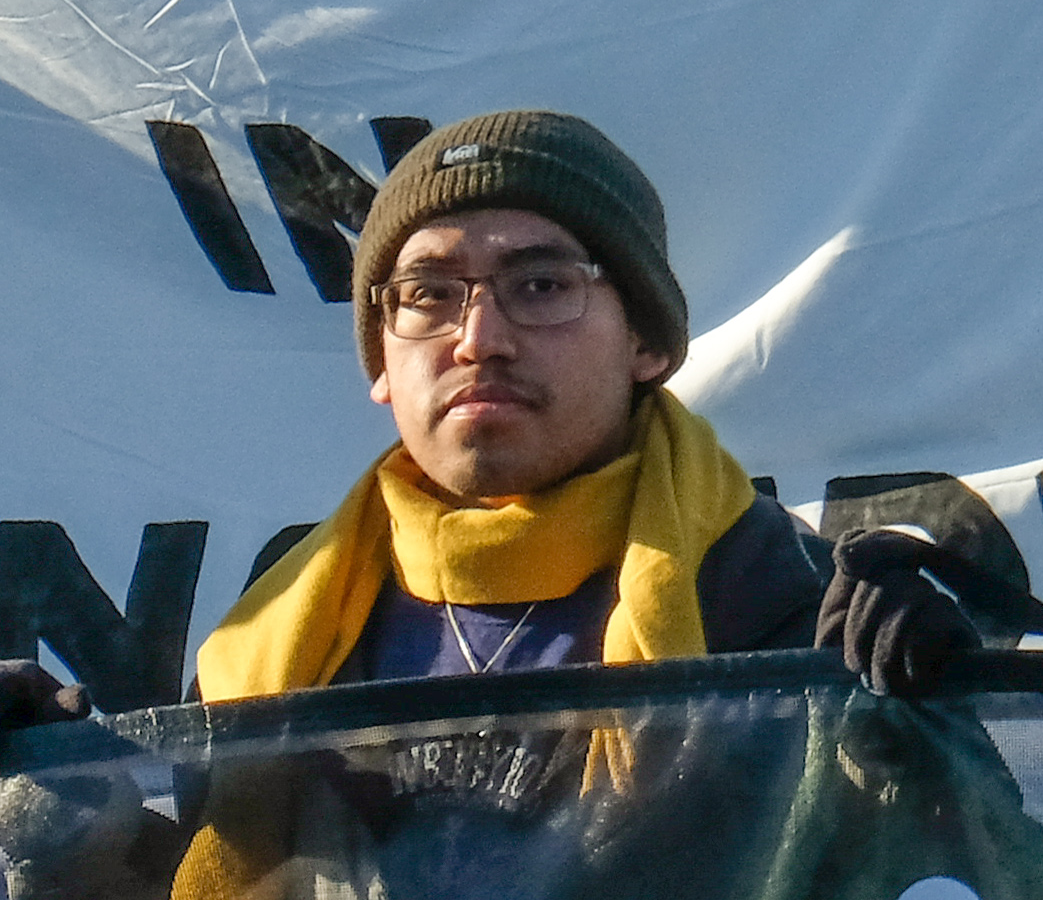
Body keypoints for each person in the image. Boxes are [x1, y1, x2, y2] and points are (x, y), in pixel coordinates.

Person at [0, 110, 969, 721]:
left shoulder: (788, 607)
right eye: (427, 294)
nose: (479, 338)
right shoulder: (272, 642)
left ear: (649, 343)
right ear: (381, 358)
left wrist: (932, 745)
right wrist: (63, 823)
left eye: (541, 284)